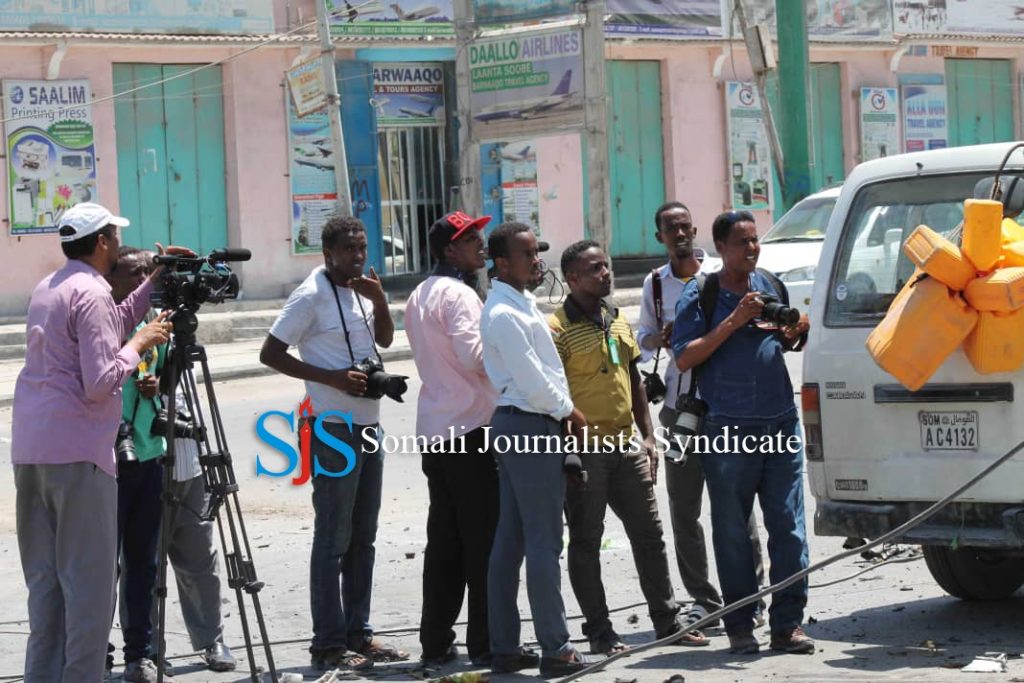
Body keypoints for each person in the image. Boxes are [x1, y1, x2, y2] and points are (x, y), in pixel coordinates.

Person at [12, 202, 178, 681]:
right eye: (113, 236)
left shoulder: (51, 286)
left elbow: (106, 325)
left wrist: (151, 285)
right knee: (88, 592)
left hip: (32, 451)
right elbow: (102, 380)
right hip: (79, 455)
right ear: (102, 242)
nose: (117, 243)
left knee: (47, 590)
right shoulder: (93, 293)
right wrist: (141, 343)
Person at [260, 215, 408, 673]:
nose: (358, 256)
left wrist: (381, 300)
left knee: (363, 538)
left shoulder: (361, 288)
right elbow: (270, 353)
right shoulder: (310, 295)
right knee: (333, 540)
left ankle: (358, 634)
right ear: (328, 254)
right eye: (349, 249)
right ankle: (327, 643)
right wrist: (330, 378)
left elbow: (384, 339)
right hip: (331, 428)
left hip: (368, 425)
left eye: (362, 247)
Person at [550, 240, 708, 654]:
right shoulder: (556, 330)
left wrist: (649, 437)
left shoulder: (617, 319)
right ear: (572, 278)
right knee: (586, 543)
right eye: (595, 268)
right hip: (585, 452)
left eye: (607, 265)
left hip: (627, 447)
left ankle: (667, 622)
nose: (606, 273)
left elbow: (635, 382)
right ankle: (600, 632)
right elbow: (553, 394)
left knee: (650, 536)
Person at [672, 210, 813, 655]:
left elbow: (785, 340)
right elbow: (684, 357)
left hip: (779, 421)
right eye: (741, 242)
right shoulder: (702, 293)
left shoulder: (770, 283)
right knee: (732, 531)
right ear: (720, 248)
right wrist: (734, 321)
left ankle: (787, 623)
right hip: (728, 427)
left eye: (755, 241)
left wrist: (797, 332)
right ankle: (740, 624)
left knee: (790, 528)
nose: (751, 249)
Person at [637, 201, 766, 627]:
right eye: (670, 229)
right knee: (684, 509)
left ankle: (753, 597)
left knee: (737, 507)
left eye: (684, 226)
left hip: (725, 408)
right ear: (659, 236)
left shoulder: (720, 274)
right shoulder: (655, 285)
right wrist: (662, 336)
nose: (679, 234)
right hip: (679, 411)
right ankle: (704, 600)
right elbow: (644, 341)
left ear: (696, 231)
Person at [480, 222, 593, 678]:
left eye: (535, 251)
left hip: (524, 424)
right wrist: (570, 412)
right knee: (545, 542)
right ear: (502, 262)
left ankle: (506, 646)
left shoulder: (520, 302)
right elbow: (530, 379)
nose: (535, 259)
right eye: (526, 253)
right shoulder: (503, 313)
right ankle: (556, 648)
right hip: (529, 424)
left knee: (513, 539)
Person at [405, 211, 500, 668]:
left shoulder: (420, 293)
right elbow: (475, 357)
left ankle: (436, 641)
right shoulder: (459, 294)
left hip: (438, 430)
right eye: (470, 240)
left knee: (445, 541)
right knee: (482, 541)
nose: (480, 245)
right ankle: (486, 641)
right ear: (449, 250)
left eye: (480, 237)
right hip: (471, 429)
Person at [106, 247, 169, 682]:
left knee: (143, 563)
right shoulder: (102, 324)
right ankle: (97, 649)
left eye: (147, 273)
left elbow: (170, 374)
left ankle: (139, 652)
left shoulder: (155, 326)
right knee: (102, 565)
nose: (140, 281)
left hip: (149, 454)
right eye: (131, 274)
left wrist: (157, 384)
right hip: (106, 461)